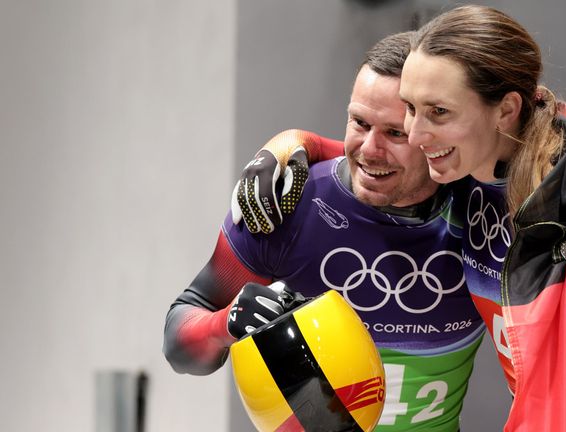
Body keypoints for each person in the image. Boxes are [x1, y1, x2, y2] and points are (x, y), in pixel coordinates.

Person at [240, 5, 566, 431]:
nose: (416, 134)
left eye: (438, 112)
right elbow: (372, 155)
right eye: (411, 109)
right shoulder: (463, 172)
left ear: (505, 110)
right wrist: (290, 144)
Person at [163, 31, 485, 432]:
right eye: (359, 122)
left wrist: (305, 140)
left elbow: (555, 121)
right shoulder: (289, 202)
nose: (368, 149)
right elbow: (178, 346)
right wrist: (224, 323)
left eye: (395, 133)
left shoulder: (479, 208)